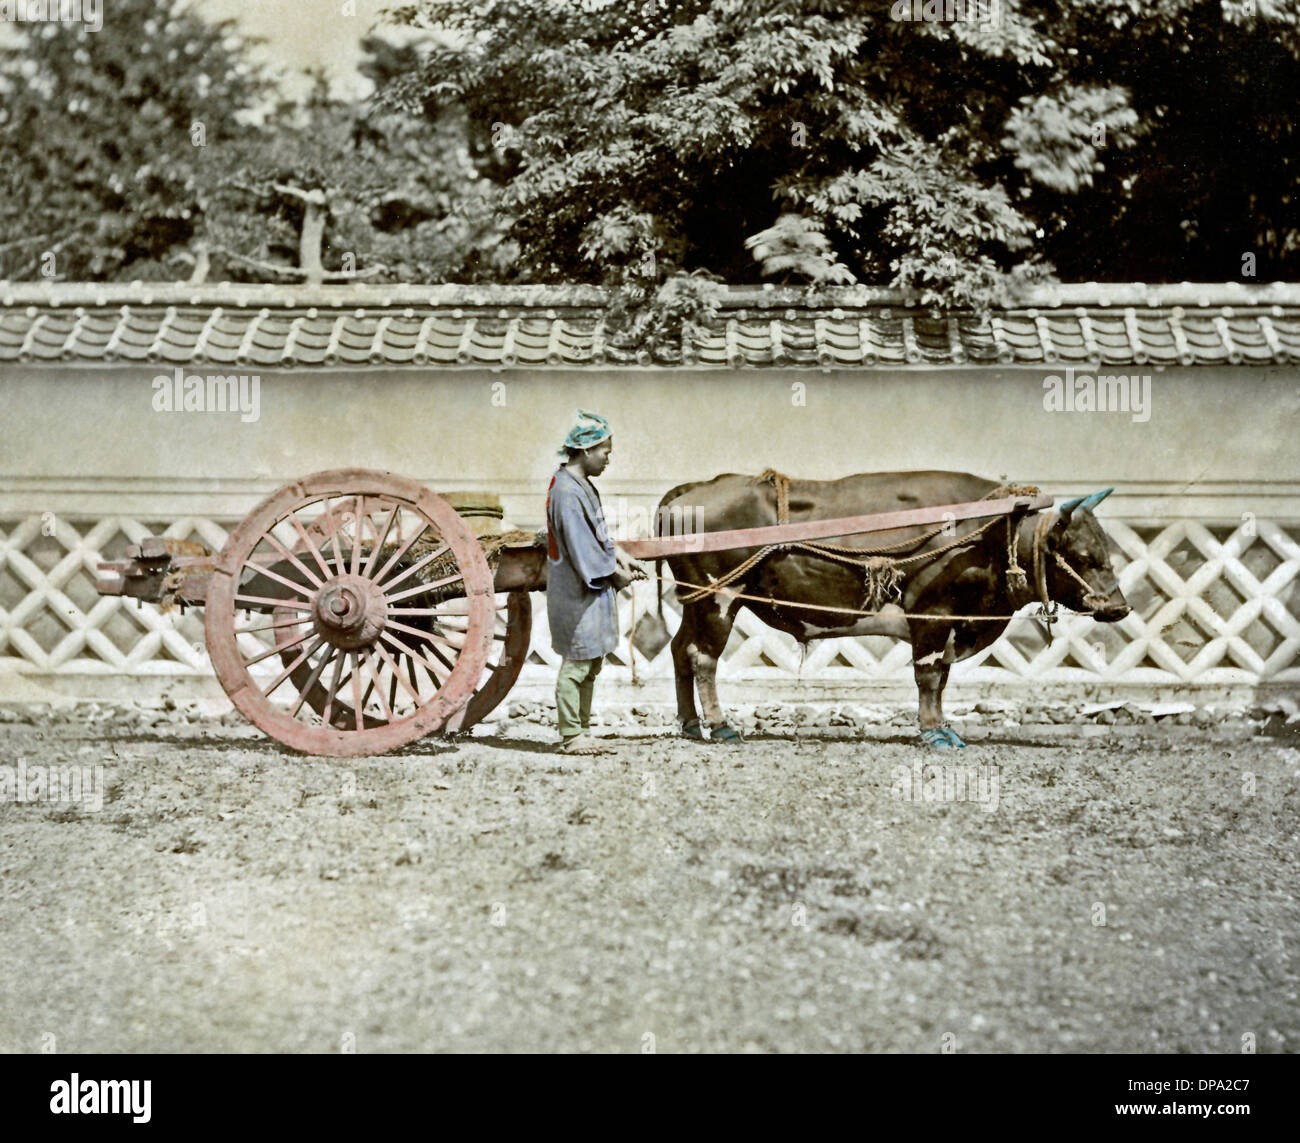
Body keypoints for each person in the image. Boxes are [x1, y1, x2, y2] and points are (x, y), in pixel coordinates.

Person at [545, 411, 637, 754]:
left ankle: (581, 730)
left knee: (592, 661)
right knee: (578, 662)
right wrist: (616, 573)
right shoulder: (567, 493)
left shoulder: (580, 485)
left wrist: (620, 555)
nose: (608, 460)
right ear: (585, 450)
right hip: (576, 589)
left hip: (588, 588)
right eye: (605, 452)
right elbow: (583, 548)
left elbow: (599, 536)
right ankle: (571, 735)